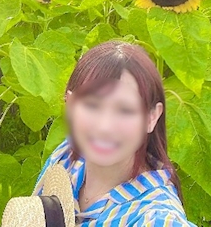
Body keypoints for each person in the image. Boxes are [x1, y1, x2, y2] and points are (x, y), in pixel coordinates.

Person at [33, 40, 197, 226]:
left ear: (152, 117)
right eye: (92, 105)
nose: (105, 127)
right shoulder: (65, 159)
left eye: (124, 110)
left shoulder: (156, 219)